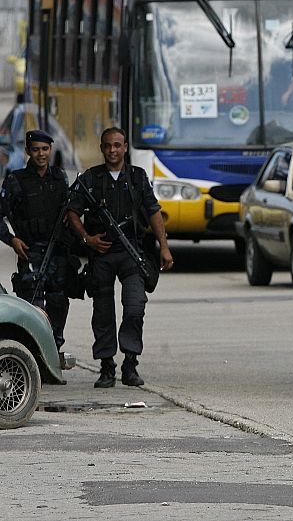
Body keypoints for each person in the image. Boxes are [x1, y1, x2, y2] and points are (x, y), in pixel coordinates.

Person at [66, 127, 174, 388]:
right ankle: (106, 366)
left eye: (117, 145)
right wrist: (87, 239)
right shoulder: (90, 178)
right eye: (107, 146)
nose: (112, 150)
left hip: (131, 253)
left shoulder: (137, 177)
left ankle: (130, 363)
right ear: (101, 148)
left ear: (125, 147)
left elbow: (153, 212)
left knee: (135, 307)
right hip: (102, 253)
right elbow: (71, 211)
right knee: (103, 312)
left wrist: (164, 246)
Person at [0, 130, 72, 357]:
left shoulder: (60, 178)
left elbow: (71, 211)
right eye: (36, 150)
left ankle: (54, 351)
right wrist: (12, 240)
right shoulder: (15, 180)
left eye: (45, 149)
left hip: (57, 252)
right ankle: (34, 354)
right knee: (32, 308)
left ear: (51, 150)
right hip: (30, 252)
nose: (41, 154)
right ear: (28, 152)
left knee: (58, 303)